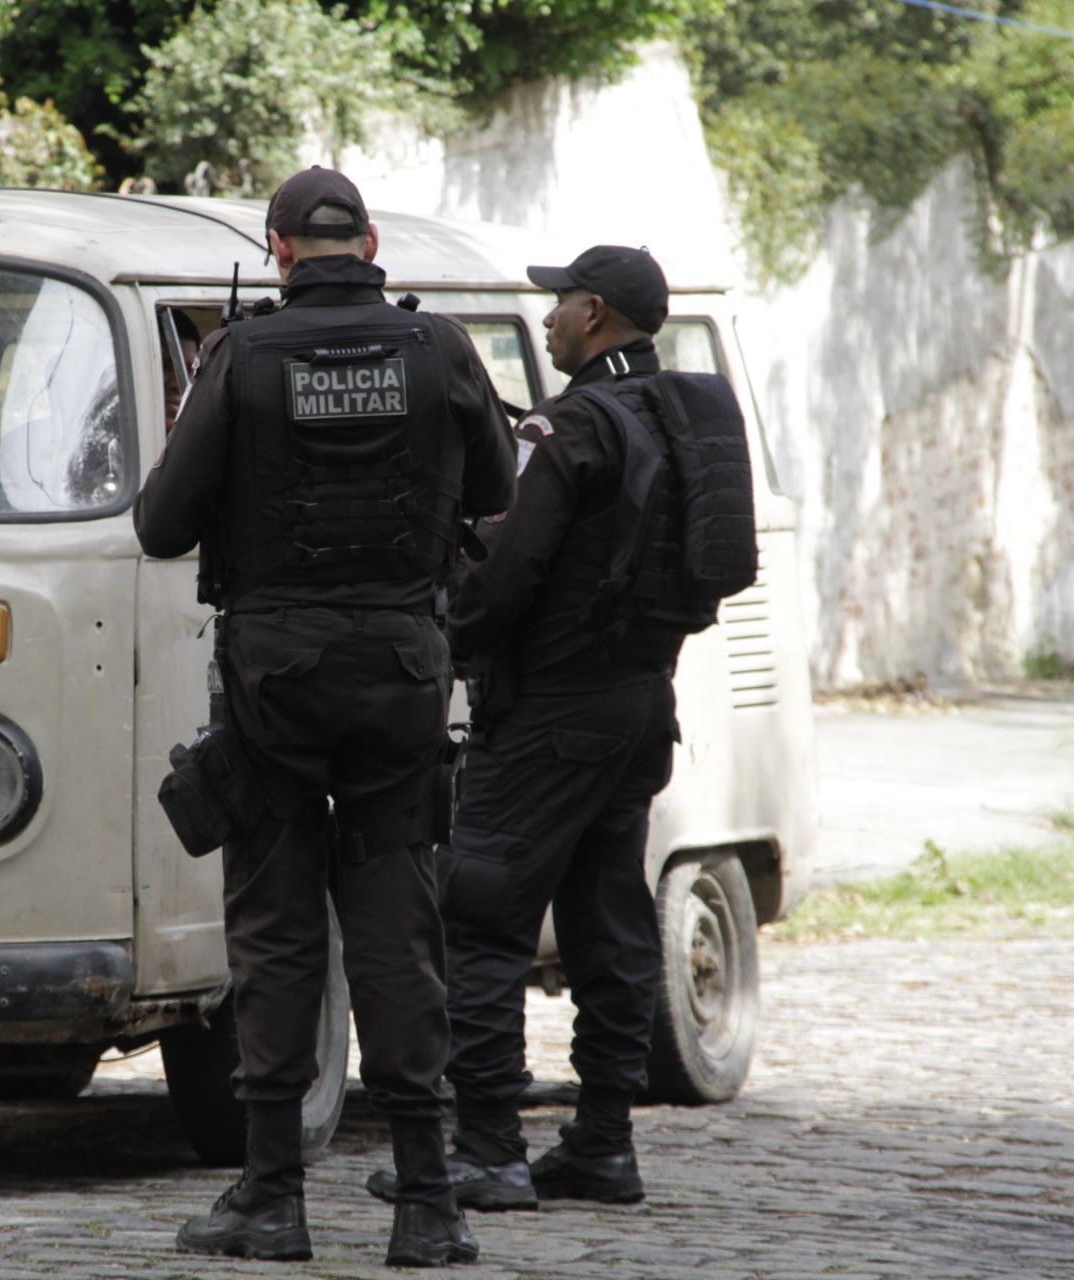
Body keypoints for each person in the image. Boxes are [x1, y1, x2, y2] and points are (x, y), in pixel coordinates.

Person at [134, 167, 516, 1267]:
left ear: (280, 248)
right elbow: (496, 491)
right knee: (399, 924)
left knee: (277, 925)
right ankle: (428, 1203)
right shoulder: (439, 349)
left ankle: (272, 1196)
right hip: (401, 671)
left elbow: (162, 526)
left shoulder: (241, 355)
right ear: (372, 243)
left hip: (276, 682)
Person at [369, 244, 706, 1213]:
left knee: (481, 918)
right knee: (609, 922)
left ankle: (488, 1150)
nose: (549, 318)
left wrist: (445, 636)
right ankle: (602, 1143)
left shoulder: (569, 425)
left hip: (550, 715)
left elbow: (507, 571)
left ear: (594, 313)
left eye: (560, 303)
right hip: (640, 706)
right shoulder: (676, 415)